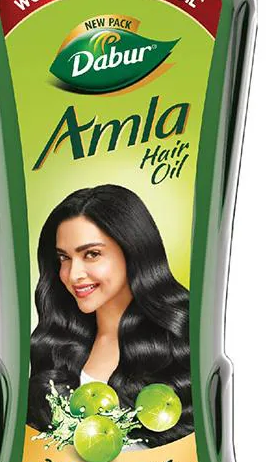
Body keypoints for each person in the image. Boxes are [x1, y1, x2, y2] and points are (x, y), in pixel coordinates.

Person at [27, 184, 192, 447]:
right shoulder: (55, 345)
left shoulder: (185, 338)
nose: (73, 274)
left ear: (133, 250)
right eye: (64, 258)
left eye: (91, 254)